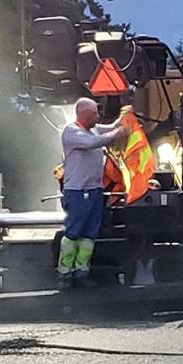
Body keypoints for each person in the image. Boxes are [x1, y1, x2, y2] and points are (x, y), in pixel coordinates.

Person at [57, 98, 129, 289]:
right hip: (78, 190)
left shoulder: (93, 129)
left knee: (89, 234)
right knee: (74, 232)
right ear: (84, 114)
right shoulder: (71, 132)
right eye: (95, 113)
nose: (98, 117)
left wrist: (124, 118)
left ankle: (82, 271)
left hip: (95, 189)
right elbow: (94, 142)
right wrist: (117, 133)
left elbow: (109, 128)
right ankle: (65, 273)